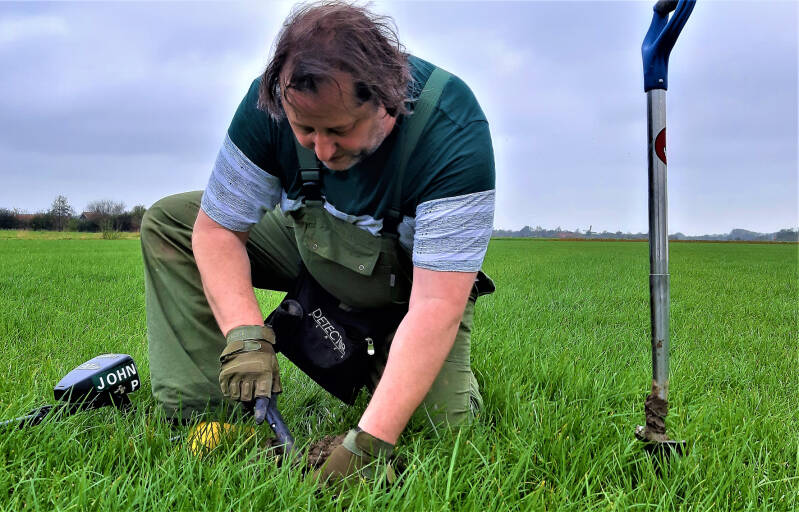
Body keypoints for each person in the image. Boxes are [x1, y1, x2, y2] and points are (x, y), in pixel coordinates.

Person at [140, 1, 495, 484]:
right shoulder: (269, 105)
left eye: (340, 130)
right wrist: (244, 334)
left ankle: (414, 373)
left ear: (388, 102)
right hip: (308, 245)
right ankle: (213, 412)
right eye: (304, 130)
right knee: (171, 223)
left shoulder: (452, 131)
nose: (323, 151)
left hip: (410, 289)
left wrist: (369, 444)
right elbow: (217, 229)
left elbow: (436, 305)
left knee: (439, 432)